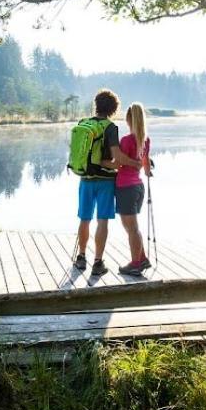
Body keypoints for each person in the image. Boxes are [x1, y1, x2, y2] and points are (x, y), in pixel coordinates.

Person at [73, 89, 144, 277]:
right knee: (102, 220)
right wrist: (135, 163)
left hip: (85, 178)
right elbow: (118, 157)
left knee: (85, 219)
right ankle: (98, 262)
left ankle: (81, 258)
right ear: (113, 109)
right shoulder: (110, 127)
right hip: (105, 181)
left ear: (96, 105)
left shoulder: (84, 123)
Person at [115, 102, 152, 276]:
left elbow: (119, 163)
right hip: (138, 187)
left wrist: (101, 162)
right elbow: (145, 163)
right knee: (132, 227)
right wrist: (147, 171)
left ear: (129, 119)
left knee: (132, 228)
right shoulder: (145, 139)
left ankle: (136, 263)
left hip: (126, 187)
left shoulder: (126, 140)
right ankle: (142, 258)